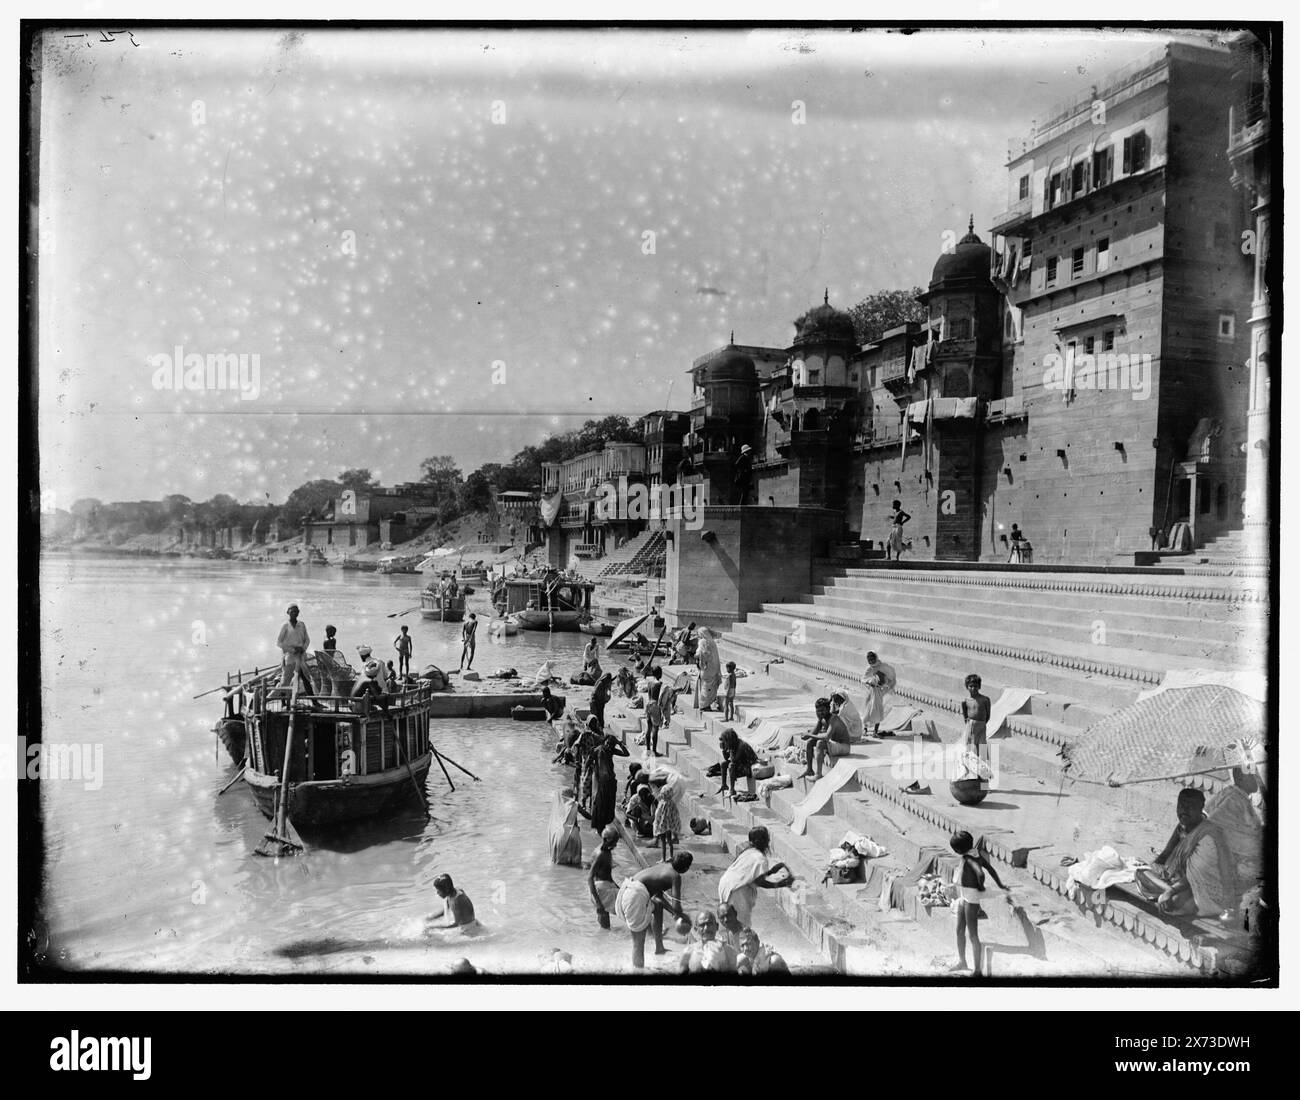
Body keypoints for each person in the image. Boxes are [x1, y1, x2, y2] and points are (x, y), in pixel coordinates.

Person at [1135, 788, 1239, 917]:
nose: (1184, 810)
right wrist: (1154, 868)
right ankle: (1167, 891)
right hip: (1177, 881)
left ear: (1200, 808)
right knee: (1140, 872)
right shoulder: (1182, 827)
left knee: (1174, 902)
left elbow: (1198, 875)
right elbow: (1164, 856)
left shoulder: (1208, 834)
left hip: (1202, 886)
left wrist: (1171, 891)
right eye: (1181, 805)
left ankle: (1168, 893)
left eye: (1190, 806)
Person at [615, 853, 693, 969]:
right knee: (638, 943)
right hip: (635, 896)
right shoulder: (675, 876)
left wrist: (675, 913)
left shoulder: (664, 866)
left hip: (626, 890)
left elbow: (658, 898)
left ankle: (659, 948)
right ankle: (638, 973)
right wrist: (684, 918)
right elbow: (677, 906)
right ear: (686, 868)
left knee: (656, 906)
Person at [949, 831, 1010, 976]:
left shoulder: (970, 859)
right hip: (964, 896)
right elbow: (990, 869)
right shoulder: (976, 854)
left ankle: (977, 970)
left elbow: (981, 873)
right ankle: (962, 962)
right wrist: (1000, 884)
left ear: (959, 850)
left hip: (971, 898)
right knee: (959, 930)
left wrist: (981, 885)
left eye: (955, 850)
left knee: (973, 935)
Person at [718, 826, 794, 929]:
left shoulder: (746, 851)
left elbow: (750, 875)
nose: (769, 841)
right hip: (737, 891)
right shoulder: (760, 858)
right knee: (741, 925)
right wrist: (781, 884)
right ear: (762, 841)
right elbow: (759, 881)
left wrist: (771, 872)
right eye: (767, 839)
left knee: (730, 922)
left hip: (725, 884)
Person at [799, 696, 851, 779]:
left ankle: (818, 774)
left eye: (822, 710)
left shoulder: (834, 719)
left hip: (844, 747)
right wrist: (804, 735)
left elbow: (826, 737)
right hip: (834, 745)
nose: (820, 713)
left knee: (820, 743)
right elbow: (812, 734)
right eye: (818, 711)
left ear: (828, 709)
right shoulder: (821, 720)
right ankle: (809, 769)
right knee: (810, 742)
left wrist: (809, 735)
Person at [590, 732, 630, 835]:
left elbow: (626, 754)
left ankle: (604, 826)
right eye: (607, 743)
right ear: (604, 741)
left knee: (609, 804)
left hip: (611, 782)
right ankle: (600, 827)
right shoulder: (598, 750)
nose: (608, 746)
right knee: (600, 805)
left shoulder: (611, 750)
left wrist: (619, 743)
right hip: (601, 783)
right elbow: (588, 761)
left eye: (611, 744)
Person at [677, 909, 739, 974]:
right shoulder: (688, 952)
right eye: (702, 925)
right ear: (696, 929)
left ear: (717, 926)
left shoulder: (728, 951)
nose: (706, 928)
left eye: (709, 924)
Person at [276, 604, 313, 695]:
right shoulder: (285, 626)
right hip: (289, 657)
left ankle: (314, 701)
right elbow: (279, 643)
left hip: (300, 657)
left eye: (296, 611)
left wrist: (303, 648)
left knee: (306, 679)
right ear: (288, 612)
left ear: (298, 612)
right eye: (292, 611)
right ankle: (283, 702)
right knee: (286, 680)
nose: (294, 613)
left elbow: (307, 640)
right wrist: (292, 649)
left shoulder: (301, 625)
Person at [589, 825, 621, 929]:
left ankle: (604, 941)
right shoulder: (601, 854)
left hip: (605, 887)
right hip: (601, 890)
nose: (615, 845)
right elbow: (590, 878)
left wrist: (618, 887)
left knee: (605, 924)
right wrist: (598, 902)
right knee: (627, 907)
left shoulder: (606, 851)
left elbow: (607, 875)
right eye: (614, 842)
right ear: (606, 840)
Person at [549, 787, 590, 866]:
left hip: (559, 835)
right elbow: (587, 816)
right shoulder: (574, 804)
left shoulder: (557, 806)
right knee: (575, 863)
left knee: (559, 864)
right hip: (573, 834)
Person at [862, 651, 897, 737]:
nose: (870, 661)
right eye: (869, 660)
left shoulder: (883, 667)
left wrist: (884, 684)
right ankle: (865, 729)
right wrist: (869, 682)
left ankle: (875, 731)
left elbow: (891, 677)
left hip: (880, 692)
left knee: (878, 711)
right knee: (867, 711)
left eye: (872, 659)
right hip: (870, 693)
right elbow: (863, 679)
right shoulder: (869, 669)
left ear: (876, 658)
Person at [718, 727, 759, 799]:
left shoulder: (741, 745)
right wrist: (724, 749)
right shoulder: (733, 745)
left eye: (725, 741)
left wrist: (728, 749)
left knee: (731, 766)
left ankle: (732, 790)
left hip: (751, 768)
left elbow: (734, 761)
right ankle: (724, 785)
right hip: (742, 764)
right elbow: (726, 758)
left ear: (729, 740)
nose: (725, 743)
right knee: (723, 764)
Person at [961, 673, 991, 759]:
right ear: (967, 687)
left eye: (975, 686)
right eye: (970, 686)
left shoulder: (985, 700)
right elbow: (965, 715)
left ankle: (981, 769)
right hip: (971, 726)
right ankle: (971, 770)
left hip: (981, 726)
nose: (973, 688)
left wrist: (980, 723)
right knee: (971, 749)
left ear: (979, 686)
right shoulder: (965, 701)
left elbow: (988, 715)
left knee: (982, 749)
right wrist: (971, 724)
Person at [694, 626, 722, 712]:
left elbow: (699, 653)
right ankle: (707, 704)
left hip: (706, 669)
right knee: (710, 687)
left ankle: (704, 705)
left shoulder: (702, 642)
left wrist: (696, 656)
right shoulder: (712, 642)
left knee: (706, 687)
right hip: (713, 669)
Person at [653, 780, 681, 861]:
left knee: (663, 843)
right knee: (669, 841)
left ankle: (663, 858)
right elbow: (675, 815)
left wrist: (656, 823)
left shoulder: (662, 803)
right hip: (669, 826)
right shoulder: (672, 803)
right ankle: (671, 856)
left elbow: (658, 814)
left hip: (662, 826)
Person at [644, 666, 665, 757]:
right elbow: (661, 697)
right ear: (659, 674)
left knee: (648, 729)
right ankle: (654, 751)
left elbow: (649, 695)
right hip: (655, 706)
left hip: (648, 705)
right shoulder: (659, 683)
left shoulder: (649, 683)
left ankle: (648, 750)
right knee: (655, 730)